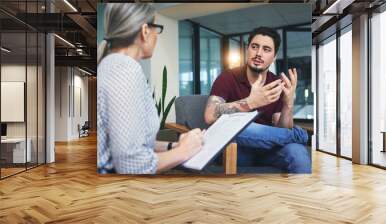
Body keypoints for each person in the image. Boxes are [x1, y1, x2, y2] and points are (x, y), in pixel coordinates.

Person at [97, 3, 204, 174]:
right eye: (157, 28)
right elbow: (130, 164)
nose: (157, 35)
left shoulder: (116, 65)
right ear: (145, 31)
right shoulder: (124, 70)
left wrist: (173, 145)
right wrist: (184, 151)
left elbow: (133, 140)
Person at [204, 27, 311, 173]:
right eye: (254, 47)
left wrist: (288, 104)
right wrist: (250, 102)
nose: (259, 53)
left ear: (274, 57)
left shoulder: (276, 83)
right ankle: (299, 135)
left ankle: (303, 195)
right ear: (247, 50)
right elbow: (210, 115)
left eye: (266, 49)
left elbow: (281, 128)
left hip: (267, 149)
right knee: (238, 126)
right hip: (237, 149)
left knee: (296, 151)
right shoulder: (228, 77)